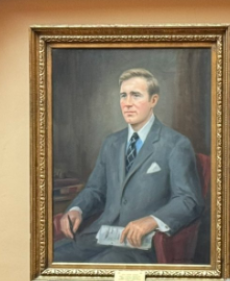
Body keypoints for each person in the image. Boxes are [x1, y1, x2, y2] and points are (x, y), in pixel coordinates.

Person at [54, 68, 203, 264]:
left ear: (153, 100)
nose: (128, 103)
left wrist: (152, 220)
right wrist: (77, 209)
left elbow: (188, 200)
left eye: (136, 95)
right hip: (96, 238)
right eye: (123, 95)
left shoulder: (175, 144)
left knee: (94, 270)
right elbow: (95, 189)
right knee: (52, 259)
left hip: (138, 245)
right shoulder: (111, 143)